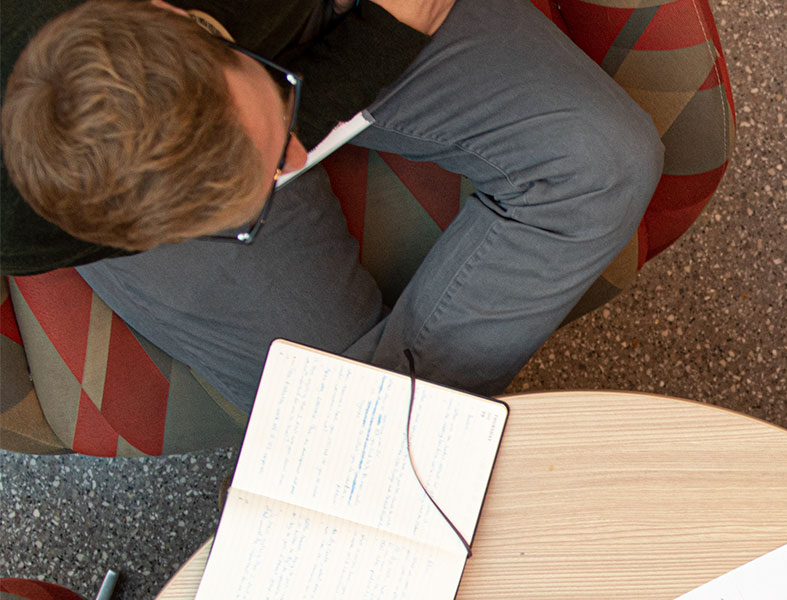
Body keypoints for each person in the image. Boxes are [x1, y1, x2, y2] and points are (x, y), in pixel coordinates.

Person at [1, 0, 663, 408]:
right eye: (253, 199)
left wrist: (384, 36)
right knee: (330, 397)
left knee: (603, 158)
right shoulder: (23, 224)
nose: (294, 166)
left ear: (169, 12)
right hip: (162, 158)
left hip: (329, 19)